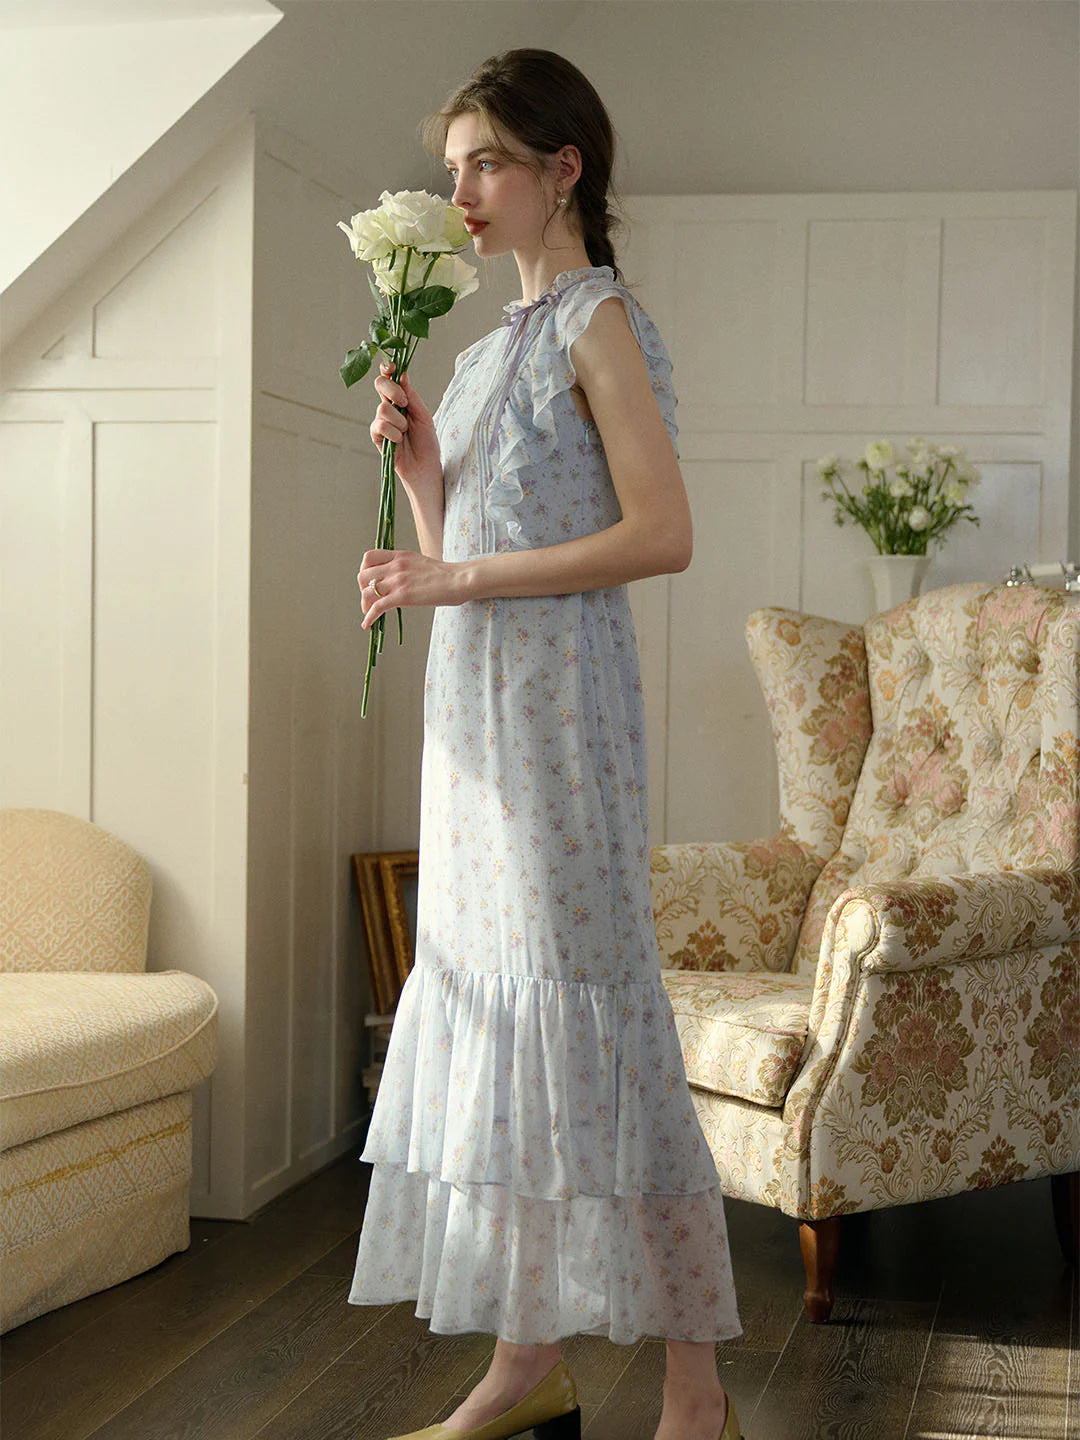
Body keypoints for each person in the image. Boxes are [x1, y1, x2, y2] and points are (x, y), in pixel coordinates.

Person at [349, 48, 743, 1440]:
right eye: (453, 166)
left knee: (596, 1025)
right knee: (503, 1029)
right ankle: (527, 1365)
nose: (461, 190)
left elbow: (663, 534)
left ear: (563, 169)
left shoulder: (598, 319)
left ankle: (695, 1391)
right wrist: (422, 482)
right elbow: (466, 552)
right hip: (473, 730)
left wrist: (448, 573)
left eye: (488, 163)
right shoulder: (476, 355)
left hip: (563, 725)